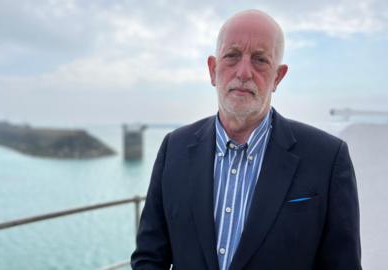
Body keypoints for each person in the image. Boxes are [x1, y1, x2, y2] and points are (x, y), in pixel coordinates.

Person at [131, 9, 362, 270]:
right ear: (213, 69)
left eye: (260, 60)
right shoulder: (174, 149)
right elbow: (149, 258)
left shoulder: (327, 159)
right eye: (232, 56)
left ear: (278, 76)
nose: (243, 72)